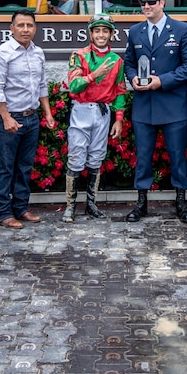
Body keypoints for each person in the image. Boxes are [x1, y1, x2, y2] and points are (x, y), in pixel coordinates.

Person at [123, 0, 187, 223]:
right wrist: (132, 76)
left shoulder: (182, 30)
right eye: (143, 3)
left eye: (152, 2)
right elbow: (129, 62)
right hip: (144, 106)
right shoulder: (135, 31)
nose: (147, 6)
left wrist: (161, 81)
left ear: (162, 2)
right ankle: (141, 203)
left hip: (171, 103)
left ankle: (181, 202)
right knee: (143, 156)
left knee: (177, 156)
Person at [0, 9, 56, 228]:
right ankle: (2, 213)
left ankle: (21, 208)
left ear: (35, 28)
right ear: (12, 28)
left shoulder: (38, 53)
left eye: (30, 25)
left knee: (25, 167)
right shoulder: (2, 53)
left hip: (31, 118)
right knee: (5, 167)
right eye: (21, 25)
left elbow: (42, 85)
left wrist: (47, 112)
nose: (25, 29)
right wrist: (5, 117)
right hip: (11, 119)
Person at [62, 13, 127, 223]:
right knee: (76, 156)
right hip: (81, 109)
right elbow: (73, 85)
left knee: (96, 157)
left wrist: (118, 118)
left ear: (111, 34)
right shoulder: (79, 55)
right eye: (97, 30)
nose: (101, 34)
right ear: (90, 33)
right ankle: (70, 206)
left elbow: (119, 90)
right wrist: (94, 74)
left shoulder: (117, 60)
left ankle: (91, 204)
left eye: (105, 30)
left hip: (103, 111)